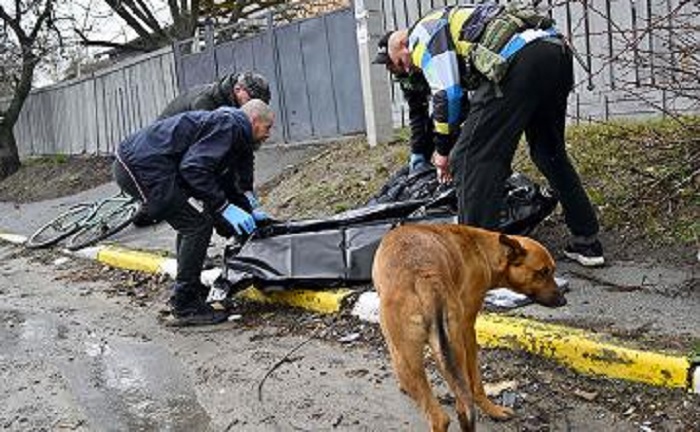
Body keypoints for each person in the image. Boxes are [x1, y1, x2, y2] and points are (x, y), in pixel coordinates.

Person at [382, 2, 604, 267]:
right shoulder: (455, 21)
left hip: (518, 58)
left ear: (404, 45)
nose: (406, 70)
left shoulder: (423, 33)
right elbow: (467, 107)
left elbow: (448, 94)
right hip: (555, 52)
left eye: (399, 62)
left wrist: (442, 152)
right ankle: (587, 241)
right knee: (549, 152)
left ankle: (478, 265)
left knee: (469, 159)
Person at [113, 100, 275, 326]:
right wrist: (223, 207)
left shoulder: (236, 137)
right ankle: (185, 305)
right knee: (196, 226)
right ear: (254, 121)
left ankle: (189, 290)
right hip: (141, 166)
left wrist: (248, 210)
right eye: (267, 128)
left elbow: (227, 183)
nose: (269, 134)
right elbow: (194, 168)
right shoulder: (228, 126)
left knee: (195, 223)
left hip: (143, 163)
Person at [158, 71, 271, 120]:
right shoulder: (205, 102)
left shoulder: (230, 103)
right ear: (237, 89)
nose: (255, 106)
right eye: (251, 99)